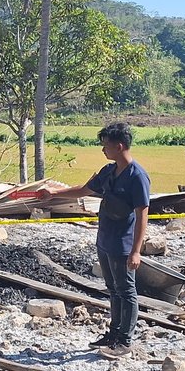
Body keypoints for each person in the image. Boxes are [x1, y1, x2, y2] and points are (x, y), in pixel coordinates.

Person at [37, 122, 150, 354]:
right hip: (105, 239)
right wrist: (55, 193)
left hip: (123, 244)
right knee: (112, 288)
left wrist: (136, 250)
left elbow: (142, 215)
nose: (103, 150)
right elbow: (84, 190)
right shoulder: (109, 171)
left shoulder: (137, 177)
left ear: (119, 146)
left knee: (126, 290)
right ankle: (114, 332)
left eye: (105, 145)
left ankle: (125, 340)